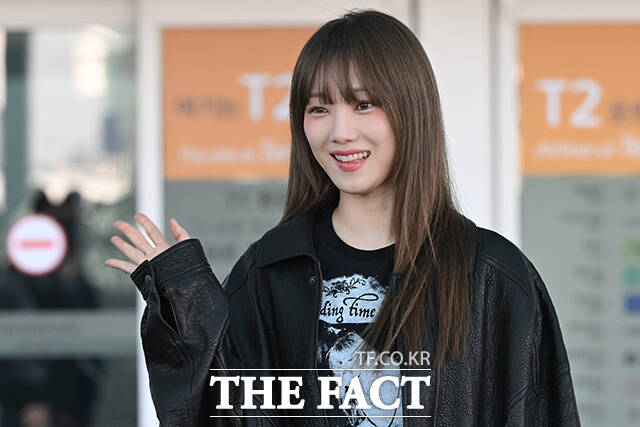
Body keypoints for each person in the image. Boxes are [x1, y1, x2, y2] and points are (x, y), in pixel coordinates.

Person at [105, 9, 581, 427]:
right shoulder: (270, 270)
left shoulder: (493, 276)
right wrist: (190, 312)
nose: (341, 132)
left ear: (412, 110)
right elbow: (220, 415)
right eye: (319, 108)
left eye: (363, 104)